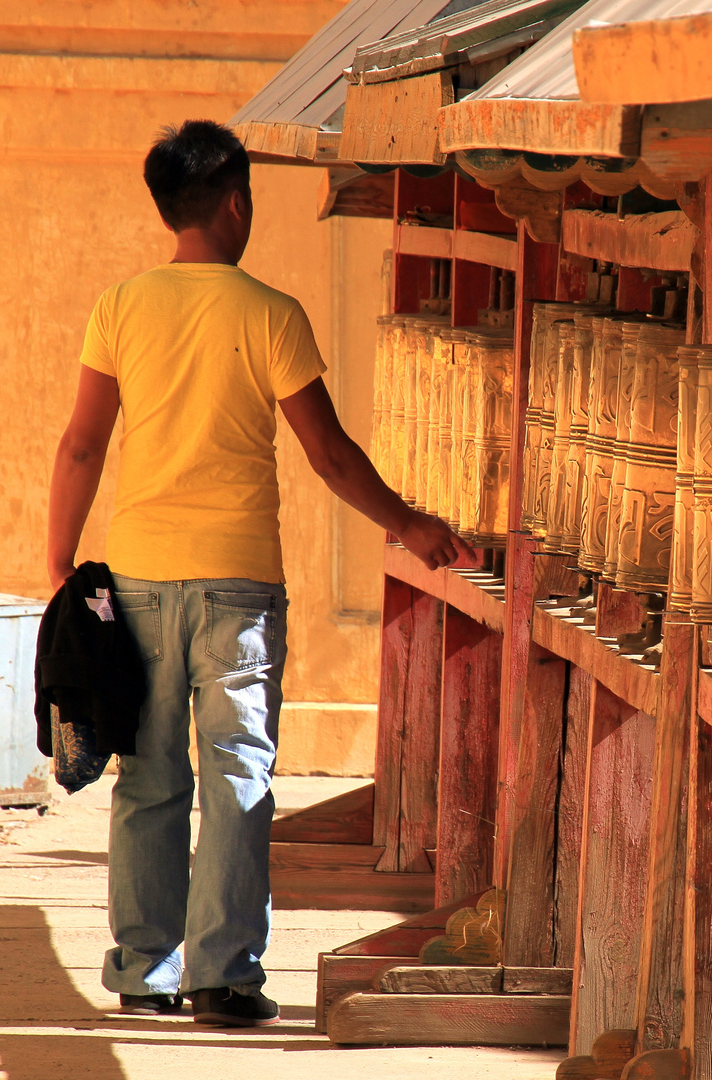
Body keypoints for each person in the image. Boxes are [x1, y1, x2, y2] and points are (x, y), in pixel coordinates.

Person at [45, 120, 474, 1026]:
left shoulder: (120, 307)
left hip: (139, 584)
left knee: (149, 779)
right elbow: (328, 454)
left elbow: (82, 444)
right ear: (237, 201)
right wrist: (409, 526)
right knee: (236, 776)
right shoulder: (270, 313)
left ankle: (141, 970)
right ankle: (224, 975)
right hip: (237, 587)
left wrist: (61, 568)